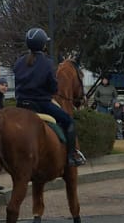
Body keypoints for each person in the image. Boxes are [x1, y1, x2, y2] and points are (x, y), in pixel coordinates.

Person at [13, 28, 85, 165]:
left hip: (21, 105)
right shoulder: (47, 63)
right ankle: (71, 156)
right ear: (43, 45)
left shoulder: (19, 62)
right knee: (69, 121)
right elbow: (53, 87)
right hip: (41, 104)